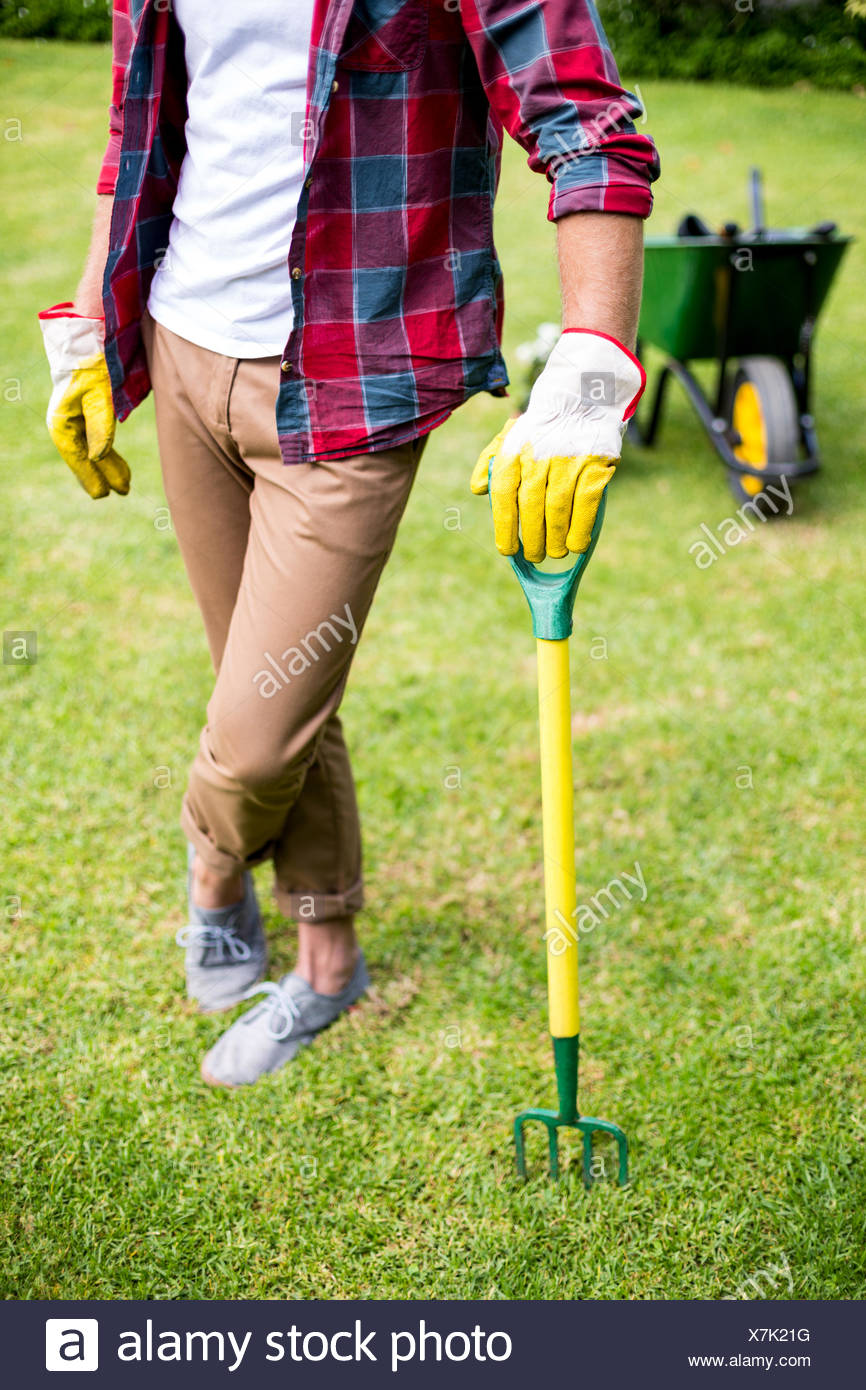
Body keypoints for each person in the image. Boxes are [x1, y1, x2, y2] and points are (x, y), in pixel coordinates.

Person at [39, 0, 659, 1087]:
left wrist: (592, 369)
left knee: (256, 735)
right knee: (270, 678)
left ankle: (214, 871)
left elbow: (586, 128)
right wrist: (88, 326)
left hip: (352, 372)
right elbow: (137, 127)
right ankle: (328, 958)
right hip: (180, 342)